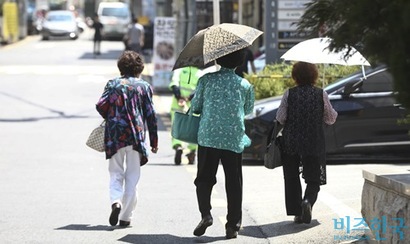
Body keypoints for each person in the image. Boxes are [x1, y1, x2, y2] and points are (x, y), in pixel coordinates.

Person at [190, 48, 255, 239]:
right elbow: (249, 110)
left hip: (208, 137)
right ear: (239, 62)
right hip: (233, 138)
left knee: (204, 178)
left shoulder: (206, 80)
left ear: (218, 59)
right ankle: (233, 226)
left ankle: (206, 215)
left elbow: (195, 107)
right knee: (234, 181)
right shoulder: (245, 85)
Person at [96, 50, 158, 227]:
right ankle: (125, 217)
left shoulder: (113, 84)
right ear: (139, 68)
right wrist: (154, 141)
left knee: (115, 172)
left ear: (121, 67)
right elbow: (151, 115)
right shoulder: (144, 87)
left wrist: (113, 114)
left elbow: (101, 106)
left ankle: (116, 201)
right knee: (132, 175)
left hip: (115, 135)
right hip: (136, 136)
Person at [275, 61, 337, 224]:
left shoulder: (289, 93)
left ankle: (297, 212)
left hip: (291, 141)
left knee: (292, 177)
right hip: (313, 141)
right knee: (313, 178)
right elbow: (330, 119)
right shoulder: (320, 93)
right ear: (314, 75)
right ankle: (307, 201)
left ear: (295, 76)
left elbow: (280, 118)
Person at [169, 66, 200, 165]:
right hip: (193, 107)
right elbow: (199, 90)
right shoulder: (200, 74)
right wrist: (189, 98)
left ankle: (178, 146)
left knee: (177, 127)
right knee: (193, 130)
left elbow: (174, 85)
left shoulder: (179, 71)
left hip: (178, 105)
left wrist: (179, 97)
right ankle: (192, 152)